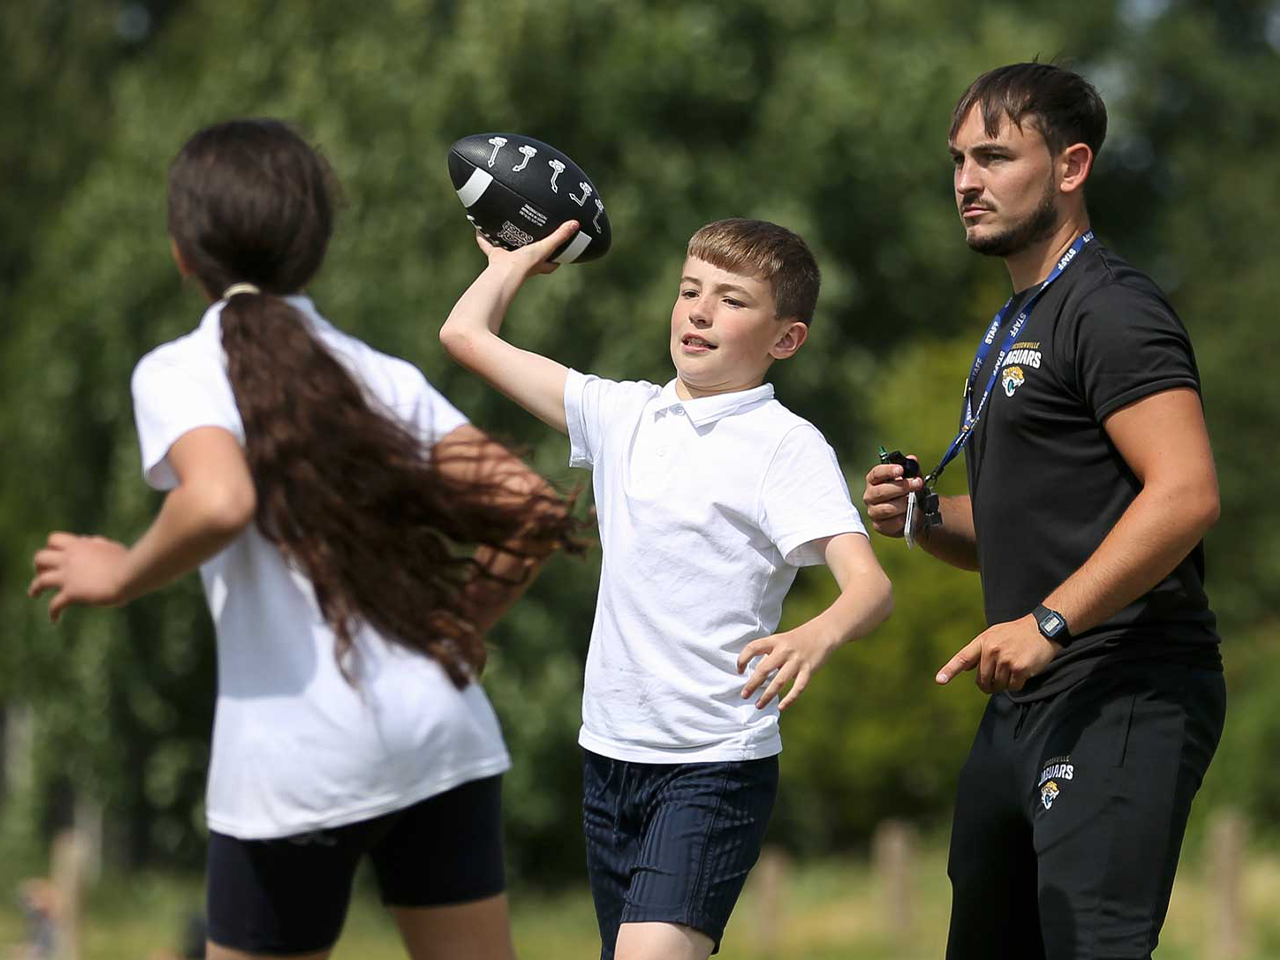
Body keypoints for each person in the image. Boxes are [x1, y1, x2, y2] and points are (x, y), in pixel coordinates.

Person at [28, 118, 581, 960]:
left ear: (184, 250)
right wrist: (460, 624)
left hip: (294, 761)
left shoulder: (178, 370)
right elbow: (530, 504)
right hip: (437, 734)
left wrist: (121, 573)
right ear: (313, 247)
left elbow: (218, 501)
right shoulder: (375, 372)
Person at [441, 216, 893, 960]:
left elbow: (870, 587)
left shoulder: (785, 445)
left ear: (786, 339)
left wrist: (817, 634)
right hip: (610, 757)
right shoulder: (621, 416)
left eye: (732, 300)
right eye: (689, 291)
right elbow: (465, 335)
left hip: (715, 763)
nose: (700, 311)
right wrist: (511, 264)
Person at [862, 62, 1226, 959]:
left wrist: (1051, 621)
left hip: (1123, 682)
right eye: (957, 160)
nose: (965, 183)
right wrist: (921, 516)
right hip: (1024, 698)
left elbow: (1187, 493)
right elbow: (1025, 525)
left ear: (1070, 167)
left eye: (993, 156)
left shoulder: (1111, 307)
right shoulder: (1013, 324)